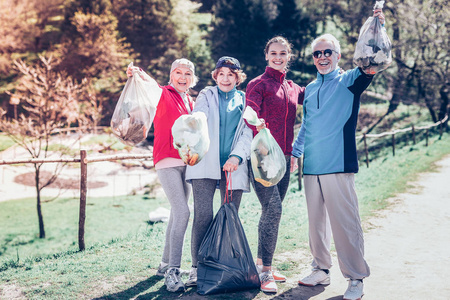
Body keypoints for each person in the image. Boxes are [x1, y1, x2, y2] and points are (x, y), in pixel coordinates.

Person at [291, 9, 387, 300]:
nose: (322, 57)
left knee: (345, 224)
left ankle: (356, 277)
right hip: (311, 167)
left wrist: (377, 26)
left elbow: (375, 62)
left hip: (338, 165)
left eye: (327, 52)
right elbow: (308, 123)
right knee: (316, 223)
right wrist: (296, 151)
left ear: (338, 55)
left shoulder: (349, 80)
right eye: (317, 53)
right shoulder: (308, 89)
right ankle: (320, 269)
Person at [126, 58, 197, 293]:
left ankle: (165, 264)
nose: (182, 77)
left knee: (178, 213)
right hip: (166, 162)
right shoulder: (163, 93)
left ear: (192, 78)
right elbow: (149, 85)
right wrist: (136, 73)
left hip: (186, 162)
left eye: (187, 73)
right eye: (178, 72)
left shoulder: (189, 100)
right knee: (183, 212)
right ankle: (173, 270)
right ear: (171, 75)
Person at [184, 56, 253, 287]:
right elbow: (200, 113)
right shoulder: (206, 94)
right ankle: (197, 267)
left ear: (237, 78)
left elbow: (247, 132)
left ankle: (224, 268)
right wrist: (197, 118)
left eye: (230, 75)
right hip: (205, 163)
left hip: (233, 167)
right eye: (221, 74)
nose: (225, 78)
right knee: (203, 216)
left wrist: (237, 156)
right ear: (215, 76)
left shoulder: (244, 99)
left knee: (228, 216)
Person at [245, 36, 305, 293]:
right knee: (274, 209)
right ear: (266, 55)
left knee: (271, 213)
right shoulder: (258, 84)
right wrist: (256, 122)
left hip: (286, 159)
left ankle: (263, 265)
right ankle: (265, 271)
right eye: (273, 53)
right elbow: (249, 112)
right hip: (262, 158)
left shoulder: (292, 88)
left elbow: (318, 96)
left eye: (283, 53)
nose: (278, 57)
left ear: (288, 56)